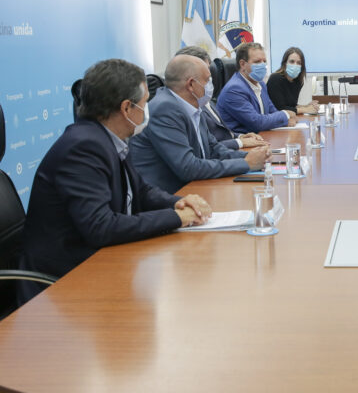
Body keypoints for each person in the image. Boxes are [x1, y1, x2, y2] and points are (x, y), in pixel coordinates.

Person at [19, 59, 211, 303]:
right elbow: (101, 227)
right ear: (126, 108)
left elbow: (140, 191)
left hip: (100, 261)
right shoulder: (83, 147)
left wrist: (179, 203)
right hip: (63, 283)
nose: (146, 110)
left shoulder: (108, 137)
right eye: (144, 104)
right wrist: (175, 219)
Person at [129, 55, 269, 194]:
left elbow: (213, 149)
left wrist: (252, 157)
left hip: (196, 188)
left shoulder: (194, 104)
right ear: (191, 84)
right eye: (207, 80)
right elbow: (188, 167)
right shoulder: (165, 109)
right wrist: (246, 164)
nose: (211, 85)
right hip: (170, 196)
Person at [175, 46, 265, 151]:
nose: (209, 75)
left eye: (209, 69)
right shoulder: (186, 107)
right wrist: (239, 142)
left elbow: (223, 133)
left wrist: (240, 137)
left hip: (229, 153)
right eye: (204, 70)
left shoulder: (205, 98)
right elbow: (204, 148)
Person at [216, 42, 298, 133]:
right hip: (244, 142)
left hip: (261, 137)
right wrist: (286, 114)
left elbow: (272, 111)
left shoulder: (260, 84)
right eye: (257, 62)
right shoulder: (234, 89)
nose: (263, 65)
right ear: (242, 64)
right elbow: (257, 122)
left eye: (264, 61)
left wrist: (284, 120)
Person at [267, 47, 320, 114]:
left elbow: (291, 106)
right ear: (285, 63)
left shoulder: (298, 81)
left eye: (299, 63)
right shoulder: (275, 79)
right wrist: (306, 109)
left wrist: (307, 106)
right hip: (275, 120)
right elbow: (280, 109)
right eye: (292, 61)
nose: (295, 65)